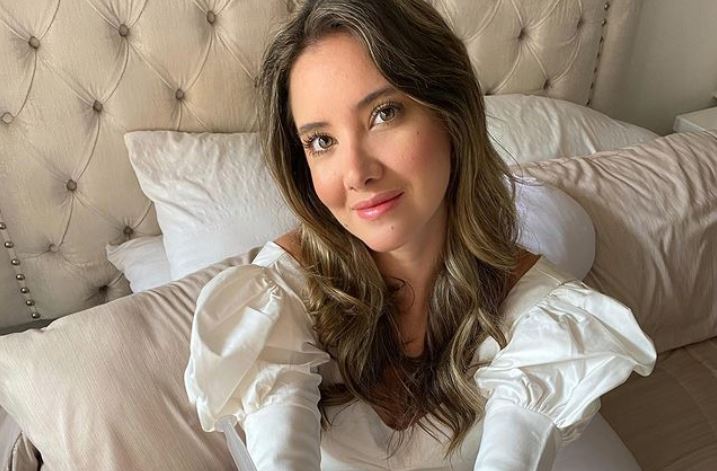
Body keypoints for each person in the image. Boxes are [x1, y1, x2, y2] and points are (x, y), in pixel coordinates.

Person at [184, 0, 657, 469]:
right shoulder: (275, 304)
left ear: (450, 113)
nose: (356, 173)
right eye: (321, 141)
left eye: (384, 113)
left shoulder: (538, 318)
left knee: (571, 232)